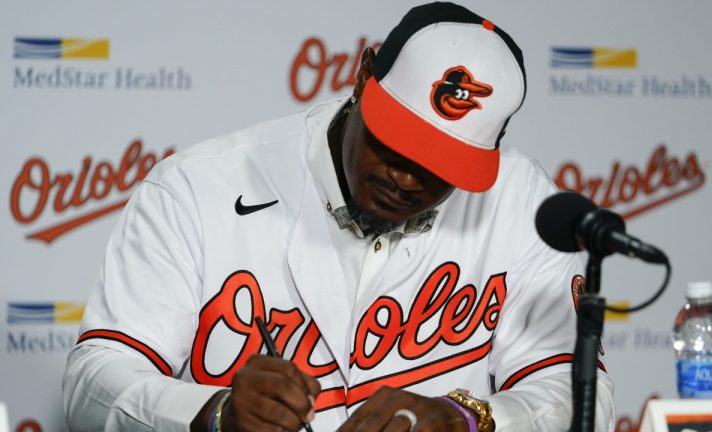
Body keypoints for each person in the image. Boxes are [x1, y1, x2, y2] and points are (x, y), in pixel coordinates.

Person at [63, 3, 615, 431]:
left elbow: (579, 395)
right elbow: (93, 383)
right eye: (396, 144)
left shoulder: (524, 203)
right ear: (363, 75)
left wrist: (466, 418)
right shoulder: (198, 188)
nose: (405, 179)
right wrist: (211, 412)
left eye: (439, 166)